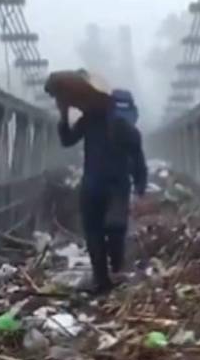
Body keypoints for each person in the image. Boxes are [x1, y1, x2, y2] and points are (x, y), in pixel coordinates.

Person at [58, 87, 147, 294]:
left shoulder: (91, 119)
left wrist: (64, 115)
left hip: (92, 187)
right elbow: (138, 164)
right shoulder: (131, 131)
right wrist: (140, 189)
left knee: (94, 234)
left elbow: (67, 140)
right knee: (115, 229)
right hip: (117, 189)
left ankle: (102, 281)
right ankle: (114, 270)